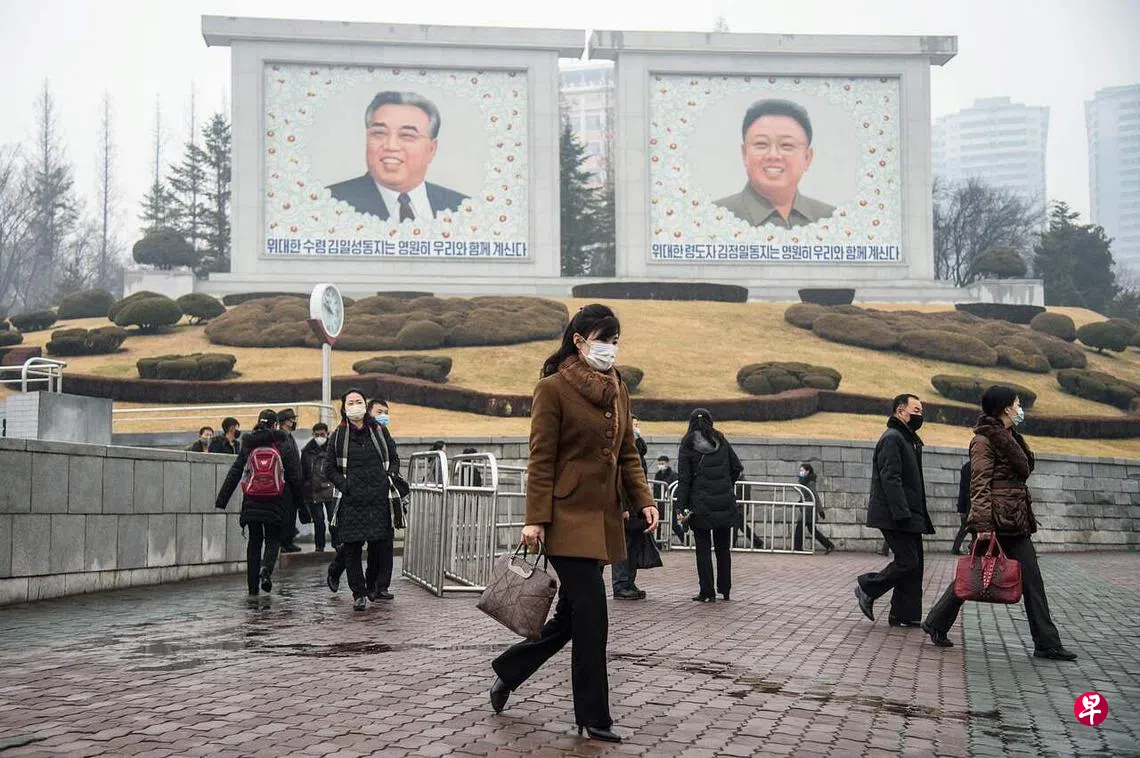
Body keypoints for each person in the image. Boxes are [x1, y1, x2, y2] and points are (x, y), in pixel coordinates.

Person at [489, 304, 659, 744]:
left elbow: (627, 452)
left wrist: (644, 500)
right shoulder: (552, 389)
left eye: (615, 341)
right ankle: (594, 716)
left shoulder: (618, 388)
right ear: (580, 341)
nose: (610, 349)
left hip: (603, 519)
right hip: (565, 519)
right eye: (603, 340)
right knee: (593, 616)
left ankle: (510, 669)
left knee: (571, 617)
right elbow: (541, 458)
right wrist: (535, 520)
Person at [922, 388, 1078, 661]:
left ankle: (936, 622)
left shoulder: (1010, 436)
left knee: (1002, 576)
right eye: (1017, 403)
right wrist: (983, 525)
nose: (1020, 408)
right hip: (996, 521)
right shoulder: (983, 441)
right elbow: (979, 485)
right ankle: (1046, 643)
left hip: (1013, 519)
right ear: (1006, 408)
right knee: (984, 575)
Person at [327, 91, 468, 221]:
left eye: (407, 135)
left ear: (431, 149)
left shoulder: (462, 209)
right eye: (379, 133)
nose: (391, 146)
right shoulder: (330, 204)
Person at [855, 394, 933, 627]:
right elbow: (891, 478)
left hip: (909, 513)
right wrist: (902, 513)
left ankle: (903, 614)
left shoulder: (907, 439)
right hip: (896, 515)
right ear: (900, 411)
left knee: (915, 564)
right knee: (908, 561)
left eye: (921, 411)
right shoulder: (893, 438)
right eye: (915, 410)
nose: (920, 415)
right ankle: (868, 588)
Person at [323, 390, 402, 611]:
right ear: (344, 408)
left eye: (359, 401)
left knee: (379, 546)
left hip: (378, 499)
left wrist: (389, 477)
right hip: (352, 501)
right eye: (351, 402)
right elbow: (329, 468)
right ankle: (358, 593)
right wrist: (344, 485)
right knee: (352, 550)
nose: (355, 405)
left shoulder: (379, 431)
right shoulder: (338, 436)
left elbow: (394, 458)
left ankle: (373, 585)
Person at [214, 409, 302, 596]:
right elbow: (295, 476)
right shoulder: (283, 441)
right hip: (275, 500)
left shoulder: (249, 442)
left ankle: (252, 589)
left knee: (254, 541)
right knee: (273, 539)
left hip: (252, 500)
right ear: (275, 424)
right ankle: (266, 570)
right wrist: (302, 505)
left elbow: (236, 471)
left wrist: (222, 499)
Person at [715, 99, 836, 229]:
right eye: (761, 144)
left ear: (807, 158)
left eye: (786, 145)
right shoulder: (715, 217)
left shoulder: (832, 220)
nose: (773, 155)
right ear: (744, 154)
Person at [676, 408, 743, 603]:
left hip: (700, 504)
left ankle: (707, 591)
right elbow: (736, 467)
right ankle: (725, 588)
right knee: (723, 548)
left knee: (703, 549)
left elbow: (684, 478)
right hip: (724, 502)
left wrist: (681, 505)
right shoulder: (720, 439)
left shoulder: (687, 443)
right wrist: (726, 485)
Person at [301, 422, 337, 552]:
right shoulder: (307, 451)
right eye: (317, 435)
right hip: (314, 490)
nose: (320, 437)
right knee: (318, 520)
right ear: (313, 435)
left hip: (330, 489)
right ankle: (319, 546)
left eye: (322, 434)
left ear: (327, 434)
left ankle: (337, 544)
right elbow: (304, 471)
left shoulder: (333, 449)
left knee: (333, 519)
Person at [277, 408, 303, 554]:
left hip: (293, 482)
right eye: (291, 419)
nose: (293, 422)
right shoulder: (281, 438)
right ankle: (282, 542)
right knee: (284, 513)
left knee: (291, 513)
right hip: (285, 481)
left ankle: (288, 541)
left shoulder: (289, 437)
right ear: (286, 422)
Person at [793, 463, 834, 554]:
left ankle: (797, 547)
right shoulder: (804, 481)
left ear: (807, 471)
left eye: (802, 470)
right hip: (806, 507)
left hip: (809, 509)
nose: (800, 472)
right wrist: (800, 502)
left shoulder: (810, 482)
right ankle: (829, 545)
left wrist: (820, 510)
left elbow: (814, 495)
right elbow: (805, 495)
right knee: (812, 530)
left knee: (800, 527)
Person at [653, 455, 683, 542]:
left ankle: (685, 540)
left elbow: (675, 490)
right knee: (658, 523)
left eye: (662, 463)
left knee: (673, 523)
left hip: (670, 503)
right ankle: (658, 543)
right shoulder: (658, 475)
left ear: (667, 463)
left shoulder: (673, 475)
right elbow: (656, 490)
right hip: (660, 502)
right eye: (659, 464)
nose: (660, 465)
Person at [950, 461, 972, 555]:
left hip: (966, 502)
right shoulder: (974, 465)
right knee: (967, 527)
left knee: (964, 528)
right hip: (970, 502)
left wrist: (961, 507)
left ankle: (957, 548)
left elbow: (962, 488)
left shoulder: (966, 466)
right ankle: (970, 547)